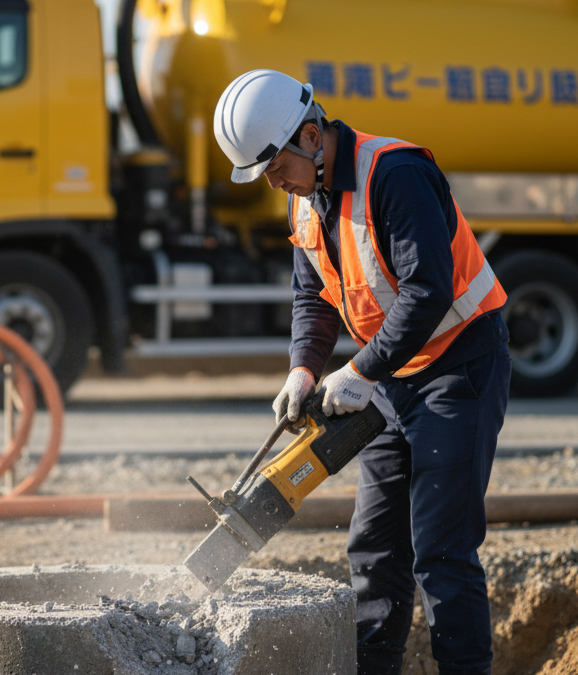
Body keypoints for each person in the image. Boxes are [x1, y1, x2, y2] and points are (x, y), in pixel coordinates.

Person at [213, 69, 512, 675]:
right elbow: (314, 298)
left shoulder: (393, 175)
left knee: (442, 551)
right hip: (389, 377)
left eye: (274, 166)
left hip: (458, 366)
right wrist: (303, 370)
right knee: (375, 548)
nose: (272, 182)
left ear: (310, 134)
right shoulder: (305, 197)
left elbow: (428, 290)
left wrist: (362, 371)